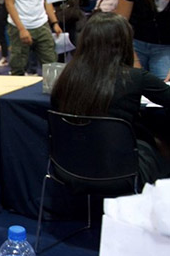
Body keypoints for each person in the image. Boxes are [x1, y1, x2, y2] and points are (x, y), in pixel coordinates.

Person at [51, 12, 170, 185]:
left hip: (69, 165)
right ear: (124, 43)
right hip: (121, 168)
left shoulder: (66, 77)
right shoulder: (135, 77)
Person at [114, 0, 170, 82]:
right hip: (134, 42)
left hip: (166, 45)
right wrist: (133, 59)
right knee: (131, 83)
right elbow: (120, 24)